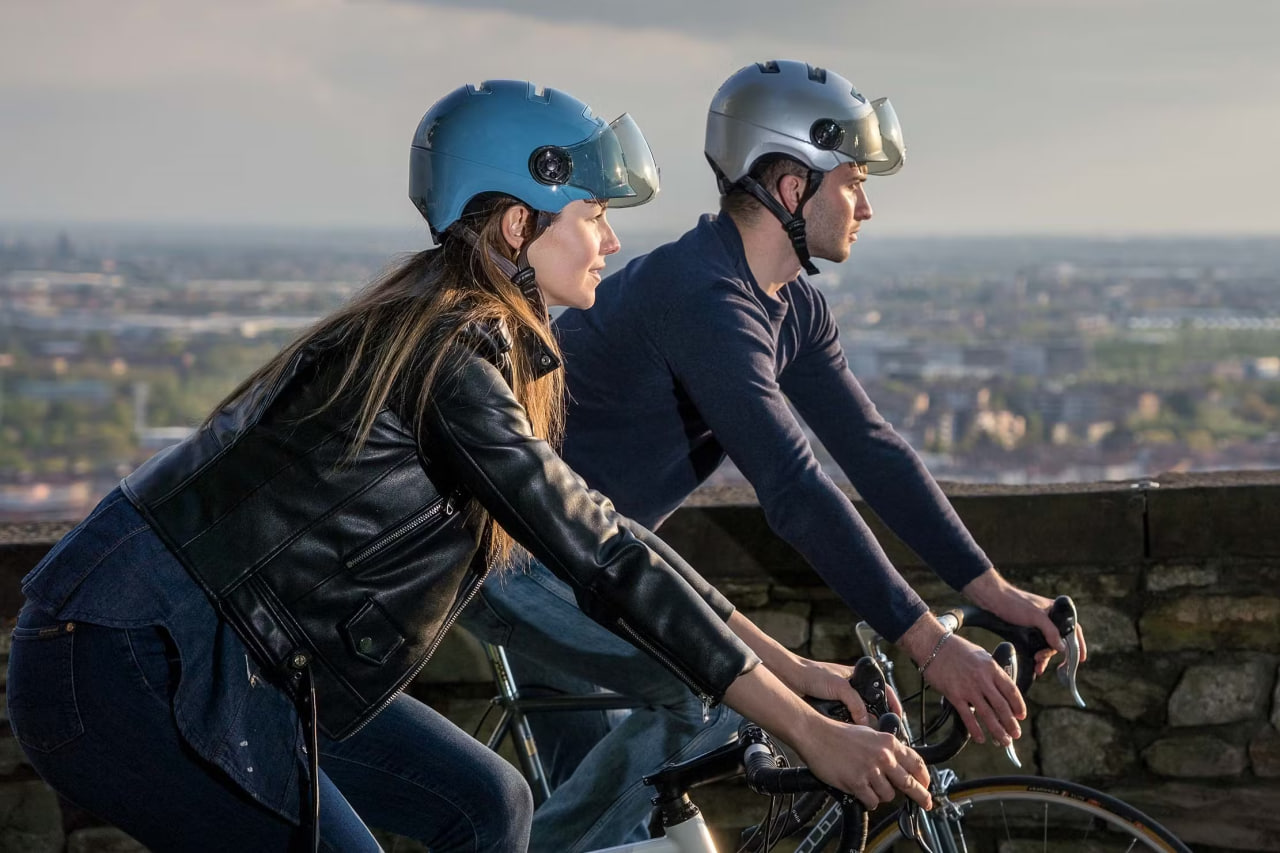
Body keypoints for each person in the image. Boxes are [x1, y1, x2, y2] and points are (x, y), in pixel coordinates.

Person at [5, 79, 933, 853]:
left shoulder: (473, 335)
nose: (612, 238)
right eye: (596, 213)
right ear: (521, 224)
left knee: (488, 805)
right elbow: (605, 558)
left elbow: (609, 532)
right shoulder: (451, 355)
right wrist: (805, 731)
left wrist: (785, 665)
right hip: (127, 657)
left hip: (246, 666)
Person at [461, 60, 1090, 852]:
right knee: (712, 690)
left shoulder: (790, 307)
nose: (865, 205)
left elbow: (872, 452)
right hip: (511, 551)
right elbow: (795, 489)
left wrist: (992, 591)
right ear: (792, 188)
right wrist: (930, 647)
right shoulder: (703, 296)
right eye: (853, 182)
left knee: (616, 832)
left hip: (595, 554)